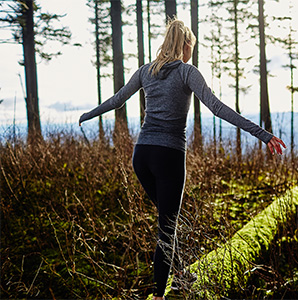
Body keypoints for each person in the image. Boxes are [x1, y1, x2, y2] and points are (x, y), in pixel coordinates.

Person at [79, 18, 285, 300]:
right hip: (169, 156)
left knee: (169, 219)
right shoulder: (188, 72)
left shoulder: (145, 72)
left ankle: (181, 275)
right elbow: (217, 107)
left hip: (141, 156)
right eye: (192, 47)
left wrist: (88, 115)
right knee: (168, 227)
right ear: (186, 45)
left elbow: (117, 100)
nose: (191, 53)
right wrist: (262, 134)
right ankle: (162, 295)